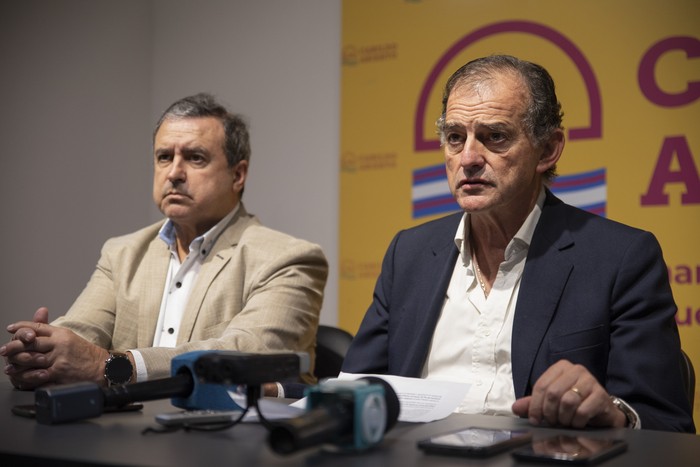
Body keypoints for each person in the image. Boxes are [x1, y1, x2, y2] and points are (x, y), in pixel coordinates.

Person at [341, 55, 695, 433]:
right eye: (455, 137)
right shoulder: (408, 253)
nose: (469, 159)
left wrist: (611, 413)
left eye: (495, 136)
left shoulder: (620, 258)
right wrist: (280, 387)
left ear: (548, 150)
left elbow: (664, 423)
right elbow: (352, 390)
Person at [2, 93, 328, 392]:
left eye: (195, 158)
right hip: (125, 434)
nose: (174, 172)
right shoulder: (123, 253)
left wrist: (114, 367)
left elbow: (244, 354)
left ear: (237, 175)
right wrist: (41, 352)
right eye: (163, 157)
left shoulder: (288, 259)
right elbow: (81, 333)